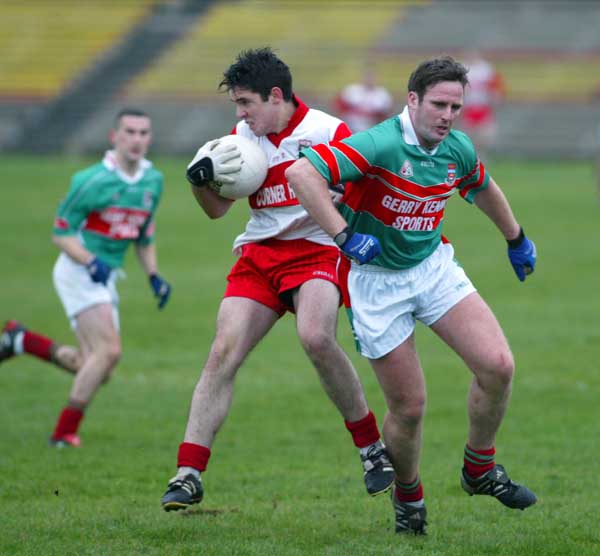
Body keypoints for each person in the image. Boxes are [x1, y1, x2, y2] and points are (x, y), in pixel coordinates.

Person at [285, 55, 538, 535]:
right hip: (377, 284)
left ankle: (479, 470)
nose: (447, 115)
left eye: (456, 107)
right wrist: (342, 235)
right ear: (413, 100)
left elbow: (481, 186)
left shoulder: (455, 148)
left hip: (432, 268)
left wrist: (515, 237)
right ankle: (409, 498)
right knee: (410, 408)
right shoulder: (379, 143)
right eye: (439, 104)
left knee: (498, 366)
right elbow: (302, 176)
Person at [160, 47, 394, 512]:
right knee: (222, 352)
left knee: (315, 337)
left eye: (246, 103)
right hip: (260, 255)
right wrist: (198, 182)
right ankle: (188, 474)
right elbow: (217, 212)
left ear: (274, 96)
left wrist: (339, 198)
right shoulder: (242, 139)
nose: (241, 114)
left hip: (318, 253)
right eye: (237, 106)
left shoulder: (330, 132)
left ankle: (370, 449)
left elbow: (362, 193)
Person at [0, 108, 171, 447]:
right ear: (115, 137)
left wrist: (153, 275)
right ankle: (63, 433)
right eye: (130, 132)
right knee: (109, 352)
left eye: (143, 133)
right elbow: (60, 233)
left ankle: (20, 340)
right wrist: (91, 261)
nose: (137, 140)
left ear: (149, 138)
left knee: (94, 368)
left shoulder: (154, 181)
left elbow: (144, 234)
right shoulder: (90, 180)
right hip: (78, 270)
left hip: (104, 276)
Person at [458, 51, 505, 160]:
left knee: (485, 137)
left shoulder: (486, 69)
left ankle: (481, 158)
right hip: (468, 108)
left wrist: (496, 99)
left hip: (483, 107)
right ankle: (470, 159)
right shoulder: (462, 68)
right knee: (468, 137)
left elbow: (495, 87)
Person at [334, 68, 394, 133]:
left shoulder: (382, 94)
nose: (369, 80)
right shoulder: (352, 90)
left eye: (372, 78)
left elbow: (386, 115)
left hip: (372, 130)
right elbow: (339, 107)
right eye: (367, 77)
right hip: (351, 128)